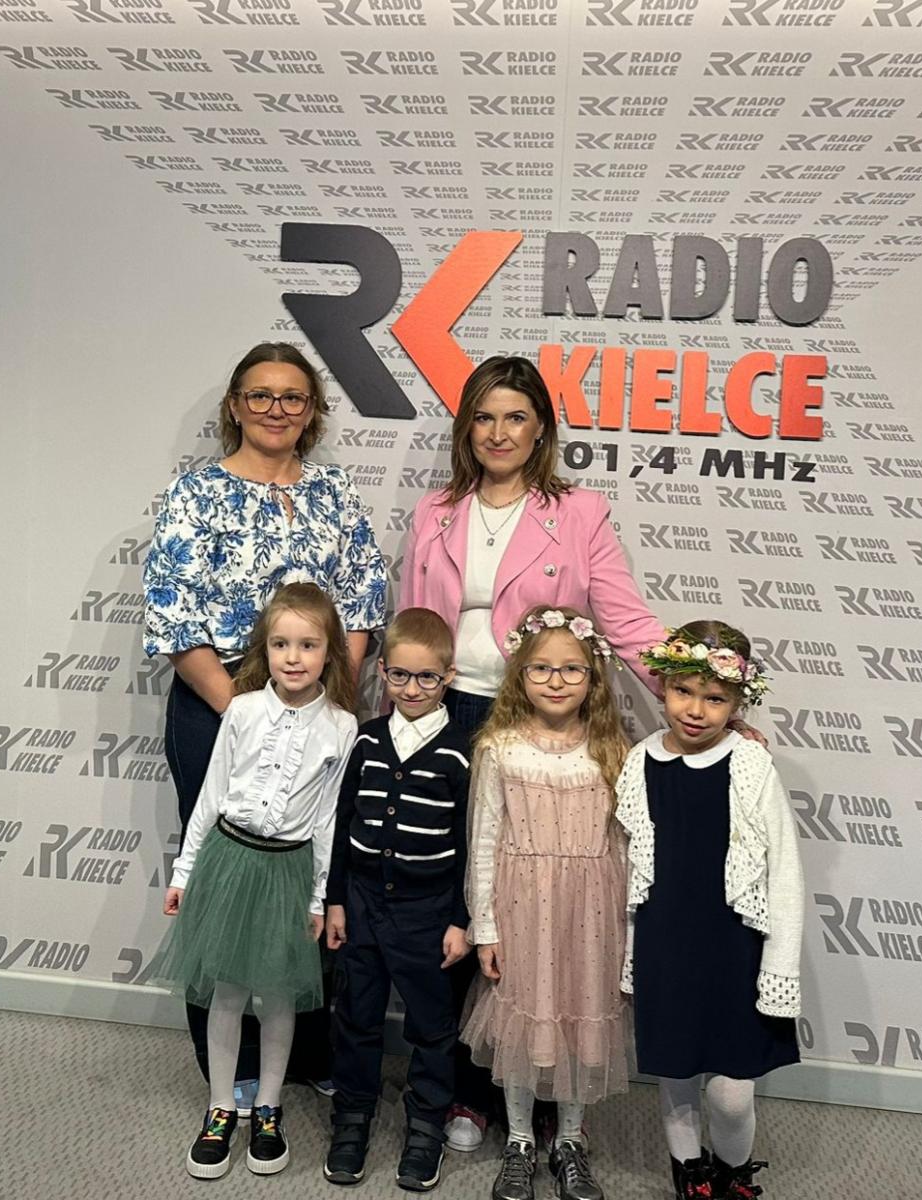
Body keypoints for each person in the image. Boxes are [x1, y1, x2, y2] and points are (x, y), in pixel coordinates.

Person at [397, 355, 664, 1150]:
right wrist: (391, 732)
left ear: (541, 427)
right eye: (483, 416)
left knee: (536, 906)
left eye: (515, 416)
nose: (498, 432)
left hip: (533, 716)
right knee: (458, 899)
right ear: (465, 428)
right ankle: (465, 1090)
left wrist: (700, 696)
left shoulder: (578, 513)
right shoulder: (435, 510)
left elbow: (626, 621)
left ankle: (544, 1088)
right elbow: (411, 626)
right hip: (445, 714)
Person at [143, 341, 386, 1098]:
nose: (276, 409)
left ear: (311, 411)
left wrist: (331, 702)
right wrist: (243, 711)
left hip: (319, 711)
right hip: (218, 704)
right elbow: (174, 613)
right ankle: (231, 1067)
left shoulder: (333, 491)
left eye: (292, 397)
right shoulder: (195, 492)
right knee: (223, 880)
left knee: (306, 878)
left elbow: (364, 596)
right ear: (234, 405)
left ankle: (304, 1052)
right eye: (260, 394)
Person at [152, 583, 359, 1179]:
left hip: (288, 870)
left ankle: (268, 1107)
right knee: (228, 991)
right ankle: (221, 1106)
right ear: (262, 649)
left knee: (278, 994)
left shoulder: (342, 727)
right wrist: (185, 872)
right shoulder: (241, 710)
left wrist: (319, 897)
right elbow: (210, 795)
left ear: (330, 651)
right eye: (280, 644)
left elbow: (328, 821)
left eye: (308, 645)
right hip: (228, 861)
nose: (293, 657)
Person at [615, 620, 804, 1200]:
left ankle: (734, 1176)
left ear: (738, 702)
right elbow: (629, 870)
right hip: (664, 944)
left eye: (715, 698)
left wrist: (779, 966)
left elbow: (785, 873)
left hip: (733, 950)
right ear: (663, 686)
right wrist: (630, 956)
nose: (695, 710)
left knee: (730, 1092)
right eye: (683, 692)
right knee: (675, 1074)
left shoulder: (750, 764)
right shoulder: (639, 762)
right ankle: (690, 1177)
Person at [461, 606, 631, 1200]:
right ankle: (519, 1140)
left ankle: (571, 1140)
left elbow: (625, 845)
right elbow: (484, 840)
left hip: (592, 912)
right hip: (522, 909)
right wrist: (485, 925)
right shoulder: (501, 748)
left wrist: (627, 930)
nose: (556, 681)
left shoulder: (612, 749)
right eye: (541, 668)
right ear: (520, 674)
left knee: (582, 1021)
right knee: (524, 1023)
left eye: (571, 669)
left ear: (593, 677)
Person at [323, 608, 472, 1193]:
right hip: (362, 904)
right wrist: (336, 900)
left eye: (427, 677)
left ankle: (426, 1125)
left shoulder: (461, 751)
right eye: (400, 676)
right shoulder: (366, 740)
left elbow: (469, 845)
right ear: (382, 672)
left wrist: (460, 920)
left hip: (427, 911)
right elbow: (342, 824)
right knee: (356, 1014)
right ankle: (352, 1117)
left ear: (449, 676)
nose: (412, 689)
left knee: (432, 1025)